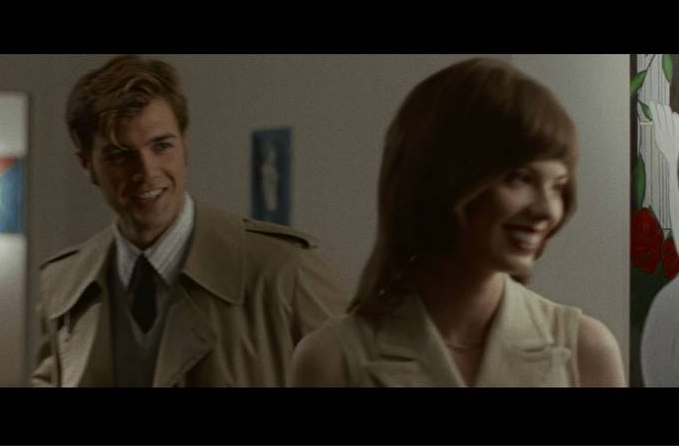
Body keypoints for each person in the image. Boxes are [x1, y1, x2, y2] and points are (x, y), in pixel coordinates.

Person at [288, 58, 626, 387]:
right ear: (444, 177)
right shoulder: (331, 359)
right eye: (519, 178)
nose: (547, 211)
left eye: (557, 186)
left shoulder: (585, 350)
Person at [31, 55, 346, 387]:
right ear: (87, 164)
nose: (146, 172)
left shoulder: (283, 270)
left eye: (161, 146)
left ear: (185, 144)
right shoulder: (62, 286)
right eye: (120, 155)